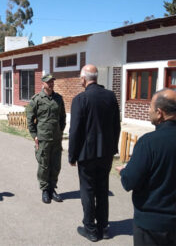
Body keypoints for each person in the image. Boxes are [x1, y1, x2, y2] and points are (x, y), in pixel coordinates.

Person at [116, 88, 176, 246]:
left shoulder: (148, 142)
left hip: (151, 226)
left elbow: (130, 181)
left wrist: (125, 171)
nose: (148, 111)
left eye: (150, 107)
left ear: (159, 112)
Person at [68, 64, 120, 242]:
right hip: (105, 154)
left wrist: (72, 155)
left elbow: (75, 131)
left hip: (86, 154)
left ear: (83, 79)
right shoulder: (110, 96)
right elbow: (116, 126)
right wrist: (113, 148)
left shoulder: (80, 99)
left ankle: (90, 229)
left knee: (88, 191)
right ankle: (103, 227)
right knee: (102, 189)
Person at [26, 74, 66, 204]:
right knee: (44, 165)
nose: (51, 84)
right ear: (43, 84)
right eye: (48, 82)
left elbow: (62, 118)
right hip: (43, 138)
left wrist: (60, 131)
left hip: (56, 138)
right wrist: (35, 136)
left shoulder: (58, 99)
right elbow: (30, 120)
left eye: (52, 82)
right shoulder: (36, 100)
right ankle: (44, 190)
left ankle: (52, 189)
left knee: (56, 165)